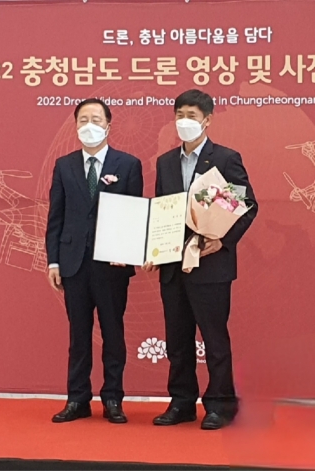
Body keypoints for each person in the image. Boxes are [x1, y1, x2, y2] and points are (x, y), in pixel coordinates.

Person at [143, 89, 258, 430]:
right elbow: (163, 209)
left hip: (211, 265)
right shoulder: (165, 162)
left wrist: (222, 240)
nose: (184, 122)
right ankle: (181, 402)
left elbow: (246, 205)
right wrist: (154, 248)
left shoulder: (225, 158)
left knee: (214, 339)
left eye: (191, 116)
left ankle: (220, 405)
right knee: (177, 341)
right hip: (172, 265)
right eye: (179, 115)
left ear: (207, 120)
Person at [46, 98, 143, 424]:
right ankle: (78, 398)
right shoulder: (64, 165)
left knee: (113, 333)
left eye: (96, 119)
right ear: (75, 126)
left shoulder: (128, 164)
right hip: (73, 263)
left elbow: (134, 213)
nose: (89, 125)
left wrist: (128, 252)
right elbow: (56, 217)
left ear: (108, 125)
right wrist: (54, 262)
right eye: (83, 119)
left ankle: (113, 398)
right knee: (79, 335)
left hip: (112, 264)